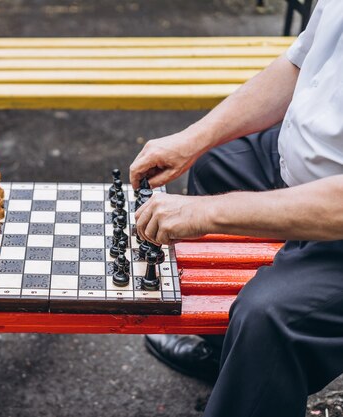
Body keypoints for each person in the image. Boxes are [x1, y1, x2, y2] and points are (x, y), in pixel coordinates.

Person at [129, 2, 343, 416]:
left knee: (268, 316)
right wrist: (193, 139)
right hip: (305, 162)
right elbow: (298, 64)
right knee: (218, 166)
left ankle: (256, 373)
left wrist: (206, 213)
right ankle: (230, 361)